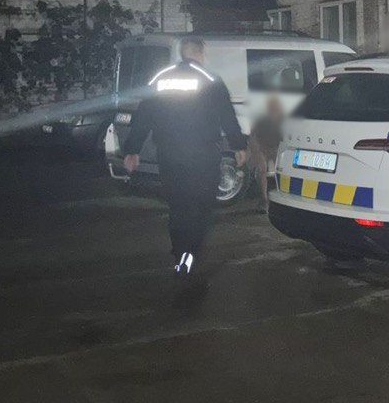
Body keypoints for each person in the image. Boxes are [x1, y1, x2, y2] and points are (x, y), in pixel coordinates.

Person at [122, 37, 246, 276]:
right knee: (201, 204)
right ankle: (190, 252)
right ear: (200, 54)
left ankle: (180, 252)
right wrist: (239, 146)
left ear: (182, 53)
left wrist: (132, 150)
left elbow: (143, 116)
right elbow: (227, 116)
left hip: (169, 154)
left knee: (178, 205)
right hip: (202, 155)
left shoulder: (160, 79)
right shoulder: (210, 79)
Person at [247, 96, 285, 213]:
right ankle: (264, 200)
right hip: (262, 147)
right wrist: (255, 150)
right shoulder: (261, 118)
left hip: (277, 148)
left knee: (281, 173)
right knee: (262, 171)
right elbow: (252, 134)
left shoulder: (283, 118)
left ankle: (281, 199)